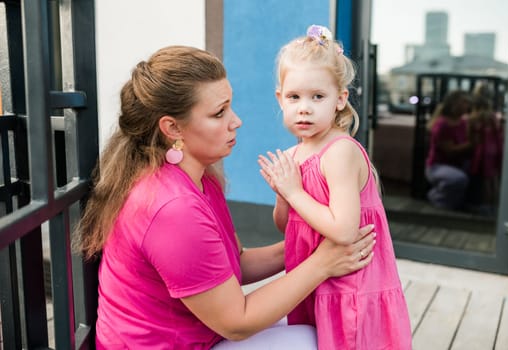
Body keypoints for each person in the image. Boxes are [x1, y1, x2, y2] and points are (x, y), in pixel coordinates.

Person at [75, 45, 377, 349]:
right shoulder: (171, 208)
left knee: (320, 326)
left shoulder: (200, 178)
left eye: (230, 107)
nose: (236, 121)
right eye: (219, 113)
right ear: (172, 127)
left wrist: (309, 247)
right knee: (320, 341)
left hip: (201, 335)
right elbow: (237, 322)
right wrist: (322, 264)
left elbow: (235, 263)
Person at [258, 25, 411, 350]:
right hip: (313, 283)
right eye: (294, 97)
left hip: (350, 287)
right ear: (280, 98)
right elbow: (288, 227)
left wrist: (295, 191)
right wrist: (283, 193)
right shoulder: (292, 156)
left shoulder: (340, 151)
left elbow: (343, 231)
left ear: (340, 99)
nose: (304, 107)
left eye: (318, 97)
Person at [425, 90, 475, 210]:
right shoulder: (442, 124)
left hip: (457, 165)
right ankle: (436, 197)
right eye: (464, 102)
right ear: (454, 104)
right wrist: (473, 144)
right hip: (437, 166)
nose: (467, 106)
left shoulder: (463, 122)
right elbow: (450, 150)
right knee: (458, 179)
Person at [468, 83, 504, 215]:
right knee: (492, 179)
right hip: (495, 149)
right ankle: (493, 204)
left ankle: (485, 205)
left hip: (482, 150)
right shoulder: (493, 115)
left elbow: (471, 137)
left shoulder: (474, 116)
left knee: (484, 179)